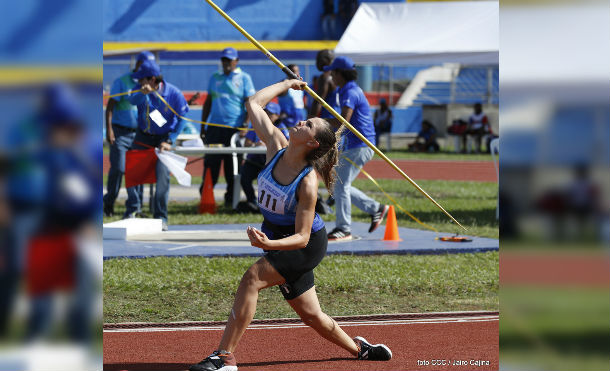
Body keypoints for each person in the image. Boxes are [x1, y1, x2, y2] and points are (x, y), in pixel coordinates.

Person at [188, 80, 392, 371]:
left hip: (304, 245)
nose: (299, 121)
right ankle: (360, 349)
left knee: (251, 279)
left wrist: (269, 245)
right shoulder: (275, 147)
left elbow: (302, 236)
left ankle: (225, 358)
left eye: (307, 124)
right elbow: (253, 104)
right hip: (278, 238)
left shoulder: (307, 182)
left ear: (313, 143)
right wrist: (287, 84)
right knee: (311, 315)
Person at [323, 56, 389, 241]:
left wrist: (318, 122)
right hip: (356, 145)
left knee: (340, 185)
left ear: (339, 73)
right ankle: (375, 208)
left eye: (332, 72)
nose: (330, 76)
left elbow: (342, 122)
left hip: (361, 144)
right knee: (339, 185)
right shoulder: (346, 90)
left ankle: (343, 228)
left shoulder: (350, 92)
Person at [124, 59, 188, 231]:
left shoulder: (173, 93)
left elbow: (183, 118)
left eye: (141, 79)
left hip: (163, 140)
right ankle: (133, 210)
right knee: (133, 172)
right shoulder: (140, 90)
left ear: (152, 79)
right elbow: (132, 101)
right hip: (142, 137)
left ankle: (161, 217)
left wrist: (170, 140)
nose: (138, 82)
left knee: (162, 178)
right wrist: (142, 93)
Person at [200, 47, 256, 207]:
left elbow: (250, 103)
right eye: (224, 60)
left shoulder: (244, 78)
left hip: (234, 129)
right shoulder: (215, 77)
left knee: (233, 167)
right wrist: (203, 126)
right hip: (215, 128)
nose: (226, 63)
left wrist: (245, 124)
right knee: (211, 165)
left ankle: (231, 199)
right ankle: (206, 198)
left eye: (229, 60)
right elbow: (208, 102)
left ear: (236, 61)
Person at [103, 51, 154, 217]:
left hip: (139, 134)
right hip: (120, 132)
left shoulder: (150, 84)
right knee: (118, 168)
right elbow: (110, 106)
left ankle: (135, 207)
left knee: (137, 171)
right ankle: (108, 202)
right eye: (147, 66)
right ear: (138, 65)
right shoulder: (122, 82)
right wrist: (109, 130)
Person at [239, 102, 288, 212]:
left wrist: (270, 145)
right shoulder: (256, 125)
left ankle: (271, 206)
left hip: (273, 162)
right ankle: (252, 201)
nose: (267, 115)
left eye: (270, 113)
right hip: (254, 160)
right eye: (265, 112)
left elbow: (287, 145)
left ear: (277, 116)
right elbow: (247, 143)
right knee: (244, 177)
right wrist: (255, 145)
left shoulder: (282, 128)